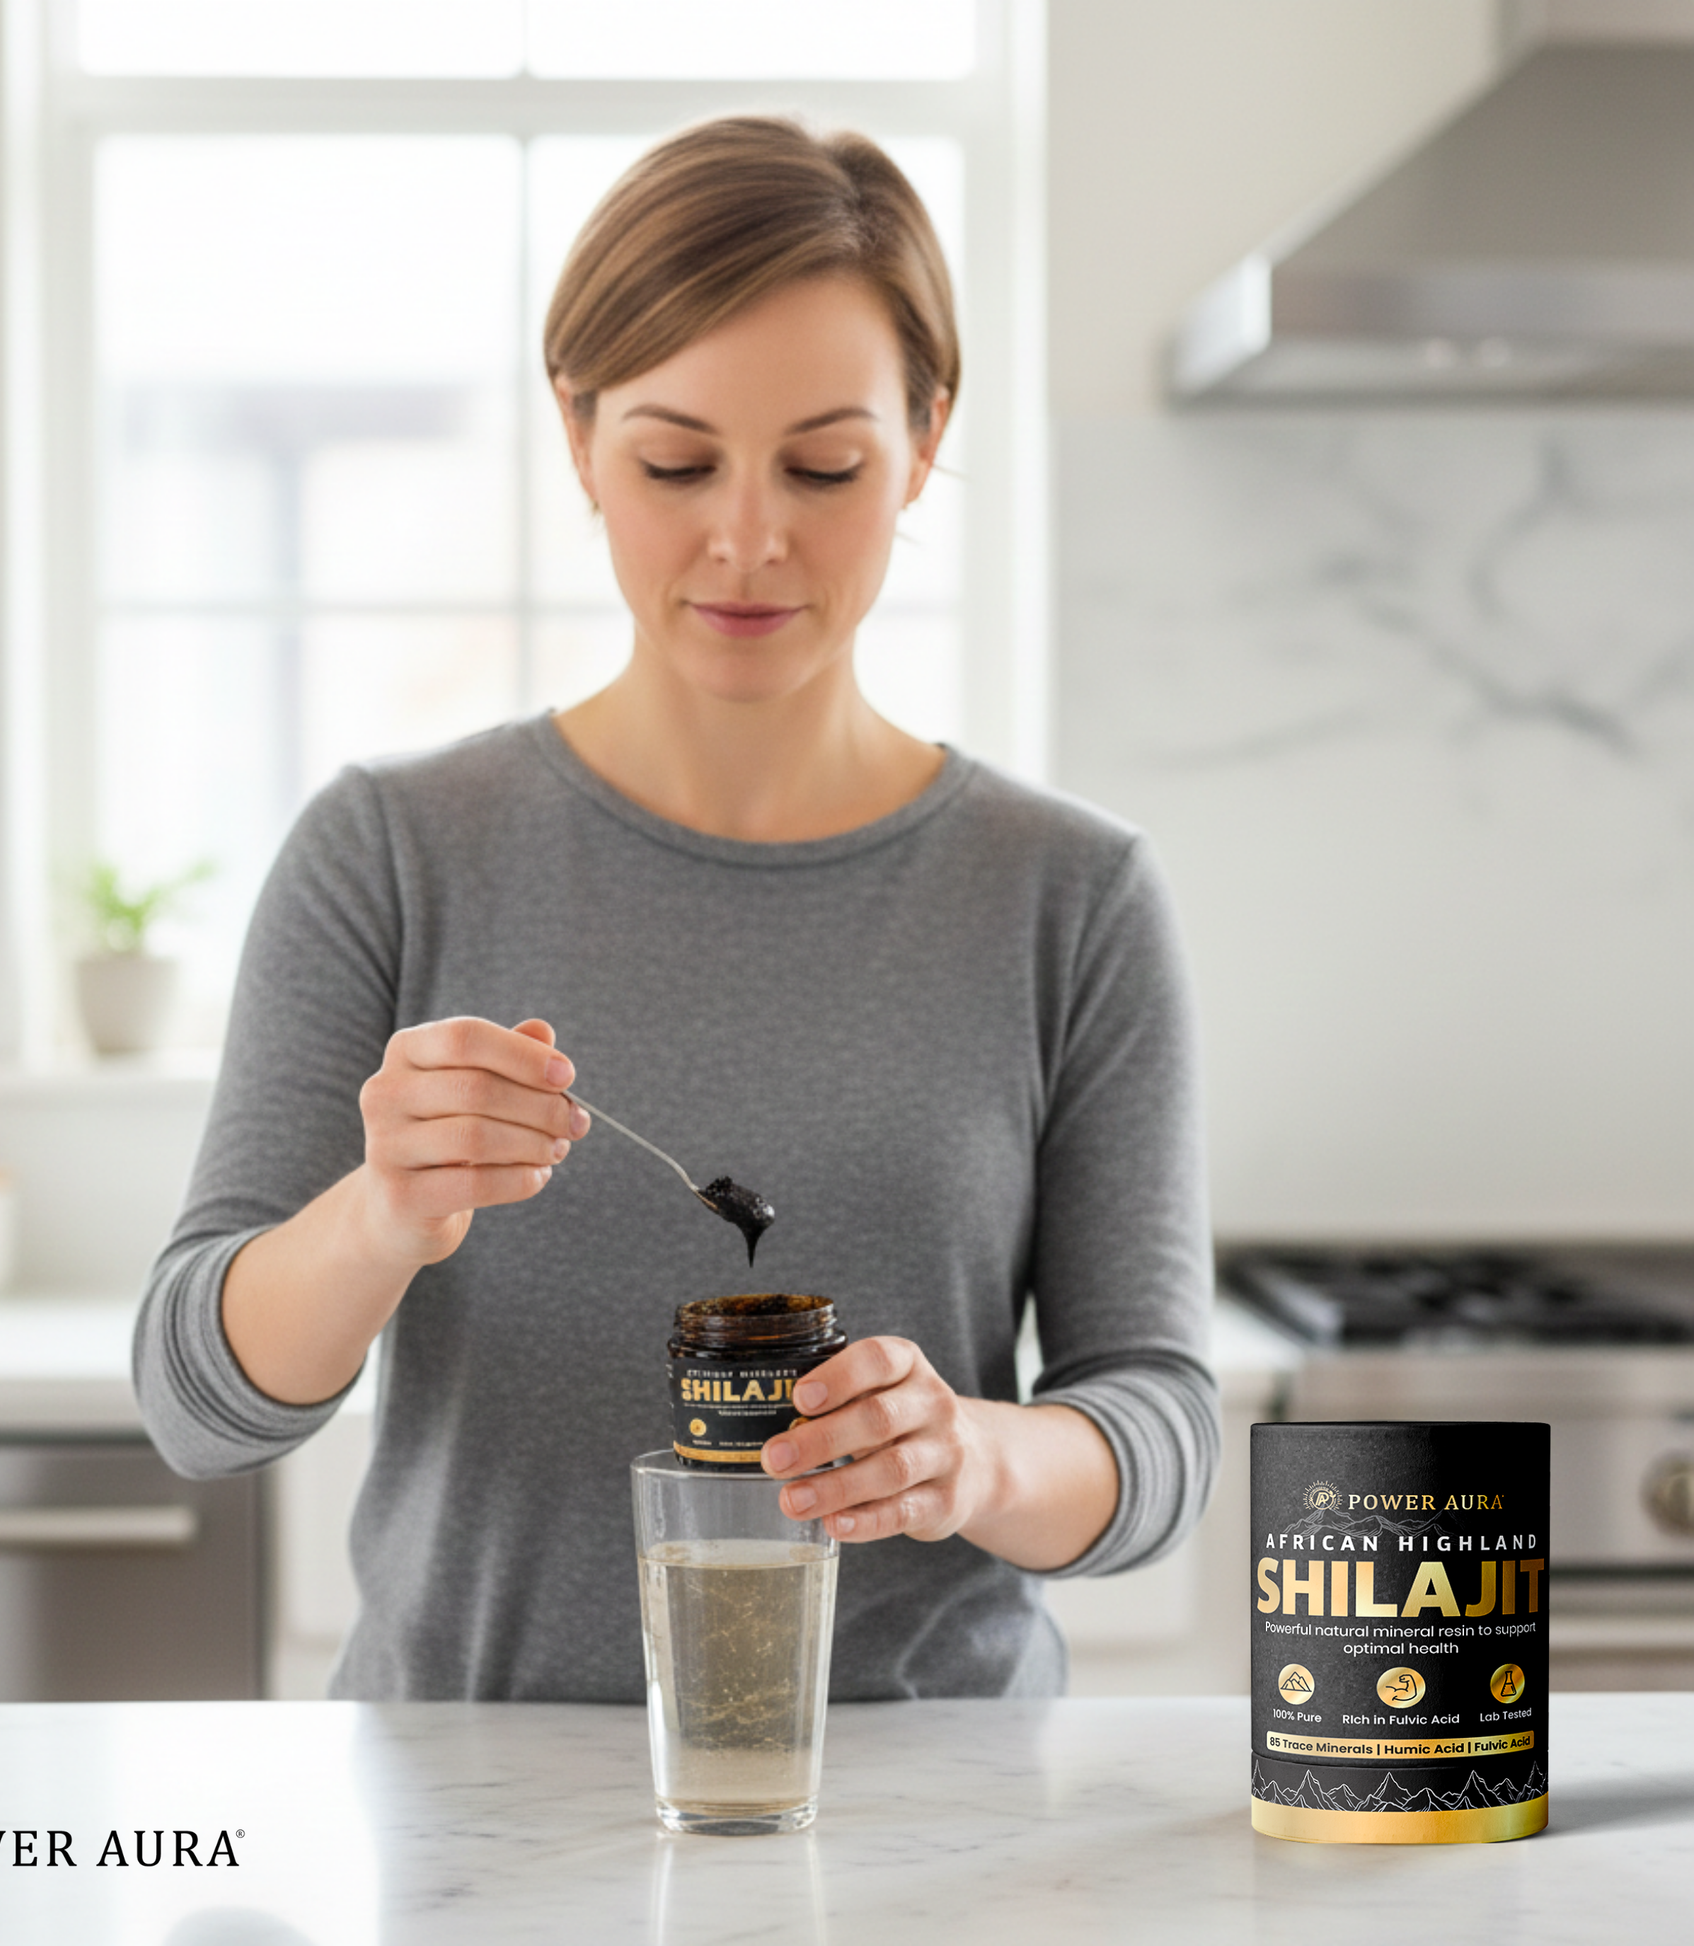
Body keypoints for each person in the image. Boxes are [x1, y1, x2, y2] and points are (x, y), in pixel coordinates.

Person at [134, 115, 1218, 1702]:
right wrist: (379, 1214)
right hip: (466, 1814)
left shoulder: (1071, 897)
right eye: (674, 459)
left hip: (932, 1828)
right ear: (576, 437)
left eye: (826, 465)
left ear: (924, 439)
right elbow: (195, 1407)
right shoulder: (390, 850)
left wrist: (972, 1456)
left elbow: (1160, 1432)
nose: (748, 536)